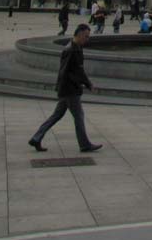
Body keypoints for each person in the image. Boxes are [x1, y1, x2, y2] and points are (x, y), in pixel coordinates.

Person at [28, 24, 101, 153]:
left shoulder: (76, 47)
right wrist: (87, 84)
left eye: (88, 37)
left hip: (68, 88)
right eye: (86, 36)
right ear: (78, 34)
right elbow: (70, 71)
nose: (87, 39)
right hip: (70, 89)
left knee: (57, 115)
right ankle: (84, 144)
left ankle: (36, 137)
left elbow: (78, 69)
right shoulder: (71, 50)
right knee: (79, 116)